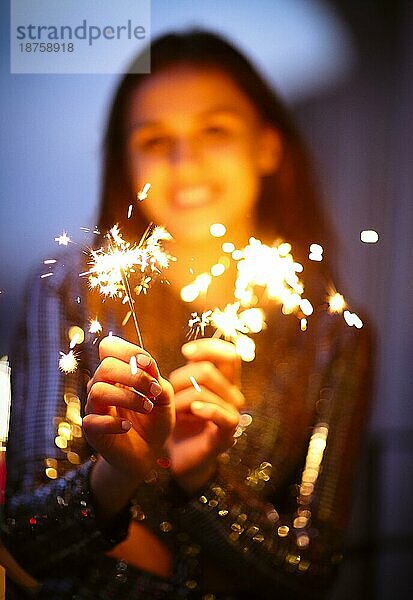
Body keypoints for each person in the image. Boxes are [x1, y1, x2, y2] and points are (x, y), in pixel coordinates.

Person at [3, 30, 372, 599]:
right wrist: (117, 474)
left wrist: (200, 480)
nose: (185, 160)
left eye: (215, 131)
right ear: (126, 162)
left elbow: (309, 569)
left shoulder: (326, 331)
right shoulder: (68, 293)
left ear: (268, 146)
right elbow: (27, 536)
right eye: (154, 139)